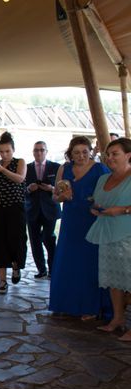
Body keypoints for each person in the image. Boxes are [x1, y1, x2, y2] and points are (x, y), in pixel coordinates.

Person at [50, 136, 111, 320]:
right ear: (71, 154)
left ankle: (89, 306)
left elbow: (108, 193)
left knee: (88, 263)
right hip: (70, 220)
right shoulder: (65, 169)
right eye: (77, 152)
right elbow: (55, 196)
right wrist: (64, 197)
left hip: (90, 219)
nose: (81, 156)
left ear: (91, 151)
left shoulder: (100, 169)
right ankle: (66, 303)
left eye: (85, 152)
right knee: (67, 261)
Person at [86, 138, 131, 340]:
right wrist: (95, 208)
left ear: (128, 155)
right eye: (108, 154)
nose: (110, 157)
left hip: (128, 234)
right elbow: (97, 200)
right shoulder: (103, 179)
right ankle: (117, 319)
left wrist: (121, 210)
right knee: (114, 280)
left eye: (115, 154)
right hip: (107, 233)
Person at [0, 131, 27, 294]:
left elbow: (20, 179)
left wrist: (2, 170)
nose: (4, 154)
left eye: (7, 151)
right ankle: (2, 281)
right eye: (1, 151)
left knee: (15, 241)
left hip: (16, 208)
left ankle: (16, 266)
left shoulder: (19, 162)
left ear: (13, 150)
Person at [25, 141, 61, 279]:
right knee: (34, 241)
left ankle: (53, 269)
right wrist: (29, 188)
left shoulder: (56, 167)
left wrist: (51, 189)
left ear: (46, 151)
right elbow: (20, 190)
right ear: (33, 152)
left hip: (50, 209)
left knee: (48, 238)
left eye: (42, 150)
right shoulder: (27, 168)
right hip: (32, 209)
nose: (39, 152)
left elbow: (62, 188)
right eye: (36, 150)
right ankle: (41, 269)